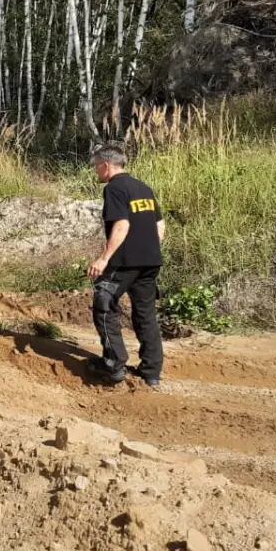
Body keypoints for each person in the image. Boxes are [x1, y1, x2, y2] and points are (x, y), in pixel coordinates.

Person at [86, 144, 166, 389]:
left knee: (105, 305)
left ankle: (113, 364)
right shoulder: (143, 187)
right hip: (151, 261)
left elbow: (121, 224)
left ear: (106, 165)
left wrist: (104, 258)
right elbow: (160, 224)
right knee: (145, 314)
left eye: (96, 166)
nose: (96, 171)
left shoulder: (114, 188)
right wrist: (150, 249)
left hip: (125, 261)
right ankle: (151, 371)